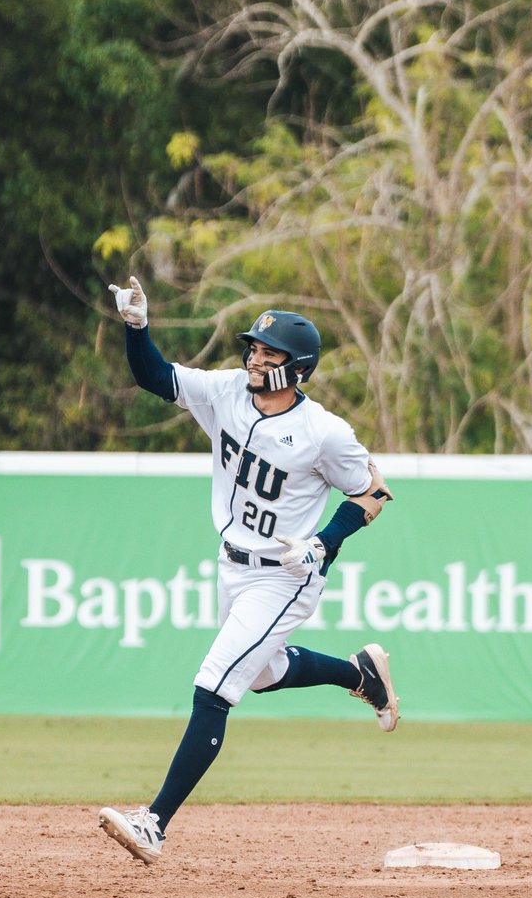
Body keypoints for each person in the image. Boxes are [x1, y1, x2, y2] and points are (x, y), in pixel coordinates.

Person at [98, 276, 400, 865]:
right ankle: (360, 675)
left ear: (298, 367)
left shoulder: (324, 432)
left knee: (214, 684)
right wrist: (138, 330)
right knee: (262, 673)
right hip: (232, 563)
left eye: (269, 353)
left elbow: (374, 492)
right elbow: (157, 378)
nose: (255, 359)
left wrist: (324, 544)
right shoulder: (227, 391)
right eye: (254, 349)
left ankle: (154, 823)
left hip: (285, 576)